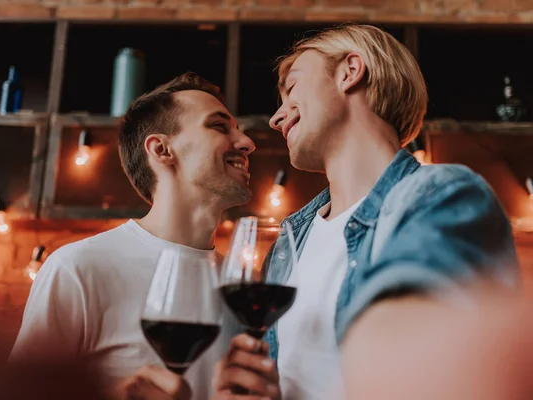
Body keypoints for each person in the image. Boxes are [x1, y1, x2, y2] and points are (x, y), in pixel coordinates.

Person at [213, 23, 520, 399]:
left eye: (291, 88)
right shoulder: (288, 242)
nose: (276, 118)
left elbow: (431, 372)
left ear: (350, 72)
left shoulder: (439, 196)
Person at [10, 72, 257, 400]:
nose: (247, 143)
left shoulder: (240, 288)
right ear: (162, 149)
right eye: (218, 126)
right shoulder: (78, 268)